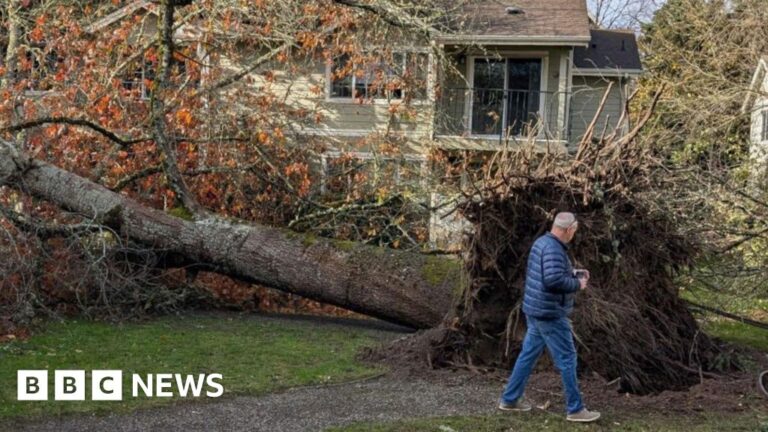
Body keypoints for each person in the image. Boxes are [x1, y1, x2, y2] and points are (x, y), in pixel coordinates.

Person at [497, 212, 600, 423]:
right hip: (549, 313)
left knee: (528, 355)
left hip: (535, 310)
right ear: (569, 229)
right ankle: (575, 409)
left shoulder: (543, 243)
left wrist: (574, 272)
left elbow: (550, 273)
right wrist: (577, 284)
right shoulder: (554, 248)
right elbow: (552, 279)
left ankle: (510, 399)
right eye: (575, 231)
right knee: (567, 358)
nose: (574, 234)